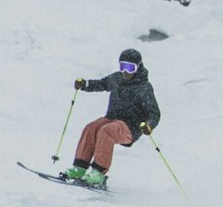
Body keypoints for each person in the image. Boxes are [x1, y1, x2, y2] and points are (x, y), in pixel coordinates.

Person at [63, 48, 161, 189]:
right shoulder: (117, 78)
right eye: (123, 66)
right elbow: (102, 84)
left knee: (106, 131)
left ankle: (98, 173)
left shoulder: (144, 87)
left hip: (130, 127)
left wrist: (149, 125)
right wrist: (85, 85)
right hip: (112, 118)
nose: (125, 72)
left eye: (130, 68)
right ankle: (80, 168)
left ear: (138, 67)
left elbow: (154, 112)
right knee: (91, 128)